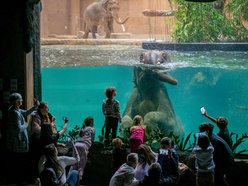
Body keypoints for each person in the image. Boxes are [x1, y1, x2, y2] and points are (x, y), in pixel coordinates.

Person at [69, 116, 95, 180]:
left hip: (76, 144)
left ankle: (69, 178)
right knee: (81, 164)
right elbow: (92, 139)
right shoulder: (92, 129)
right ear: (91, 123)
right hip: (84, 146)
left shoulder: (82, 128)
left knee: (74, 162)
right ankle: (78, 179)